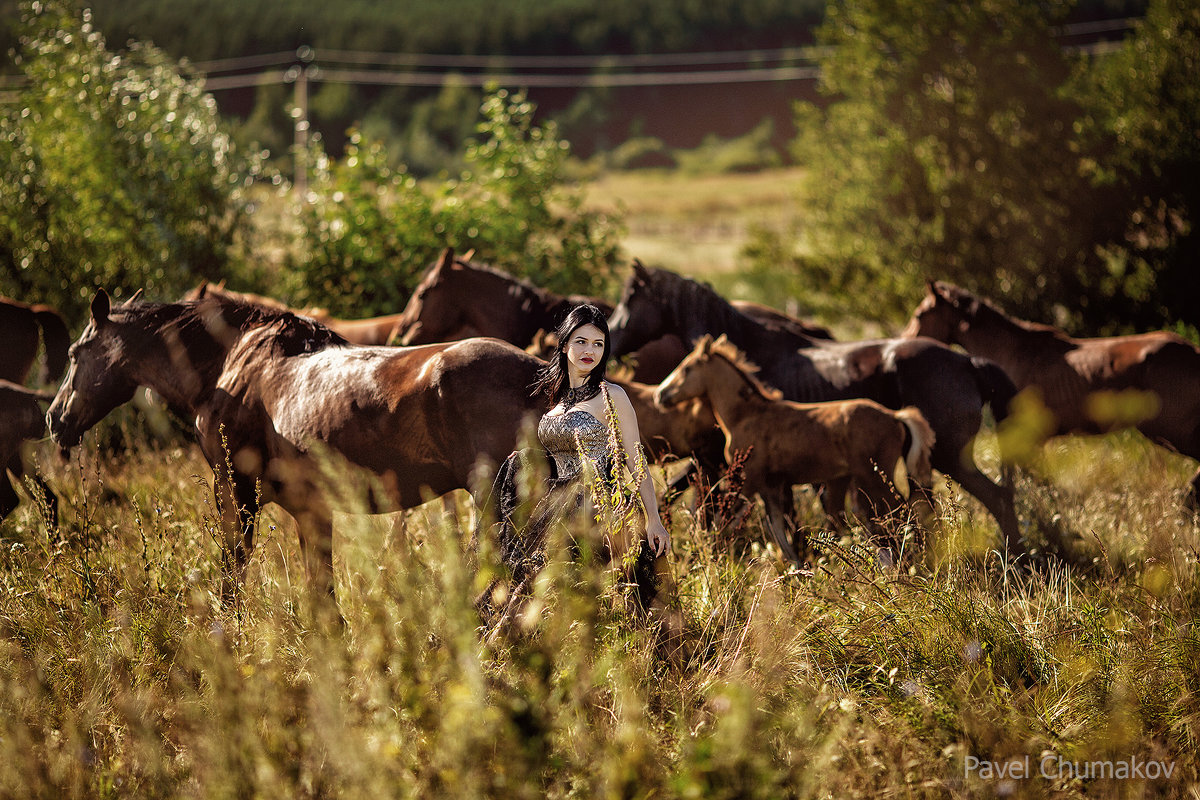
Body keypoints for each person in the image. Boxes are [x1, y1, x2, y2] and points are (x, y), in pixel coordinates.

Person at [479, 303, 673, 629]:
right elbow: (552, 463)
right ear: (565, 343)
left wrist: (654, 519)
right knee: (519, 574)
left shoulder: (612, 396)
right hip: (556, 505)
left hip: (597, 505)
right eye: (582, 341)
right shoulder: (555, 404)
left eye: (599, 344)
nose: (590, 351)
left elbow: (635, 460)